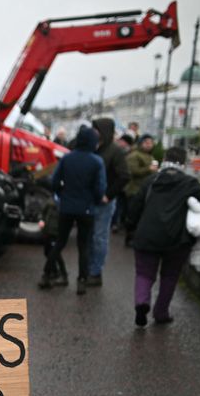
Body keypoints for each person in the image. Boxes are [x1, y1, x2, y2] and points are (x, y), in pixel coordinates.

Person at [126, 146, 200, 326]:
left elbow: (134, 207)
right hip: (177, 239)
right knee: (170, 275)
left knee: (144, 273)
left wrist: (131, 226)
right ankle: (161, 312)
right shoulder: (190, 183)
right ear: (184, 162)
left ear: (164, 159)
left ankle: (142, 302)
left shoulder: (151, 181)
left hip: (147, 235)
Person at [42, 125, 106, 295]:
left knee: (60, 242)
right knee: (83, 246)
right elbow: (100, 188)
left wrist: (62, 194)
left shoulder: (67, 158)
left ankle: (46, 275)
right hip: (86, 209)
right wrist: (96, 200)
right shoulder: (96, 161)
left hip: (67, 206)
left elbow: (55, 181)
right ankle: (82, 281)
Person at [88, 117, 130, 287]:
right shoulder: (92, 147)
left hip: (104, 202)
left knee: (99, 237)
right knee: (89, 237)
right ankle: (88, 269)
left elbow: (124, 176)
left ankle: (95, 272)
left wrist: (109, 195)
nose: (94, 132)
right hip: (89, 200)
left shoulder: (115, 151)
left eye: (97, 129)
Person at [123, 134, 158, 243]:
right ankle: (130, 237)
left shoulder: (150, 156)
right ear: (141, 143)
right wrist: (149, 169)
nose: (149, 145)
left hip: (144, 190)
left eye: (151, 143)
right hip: (134, 189)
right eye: (146, 143)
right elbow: (132, 171)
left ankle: (137, 236)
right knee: (132, 214)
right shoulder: (134, 155)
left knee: (141, 215)